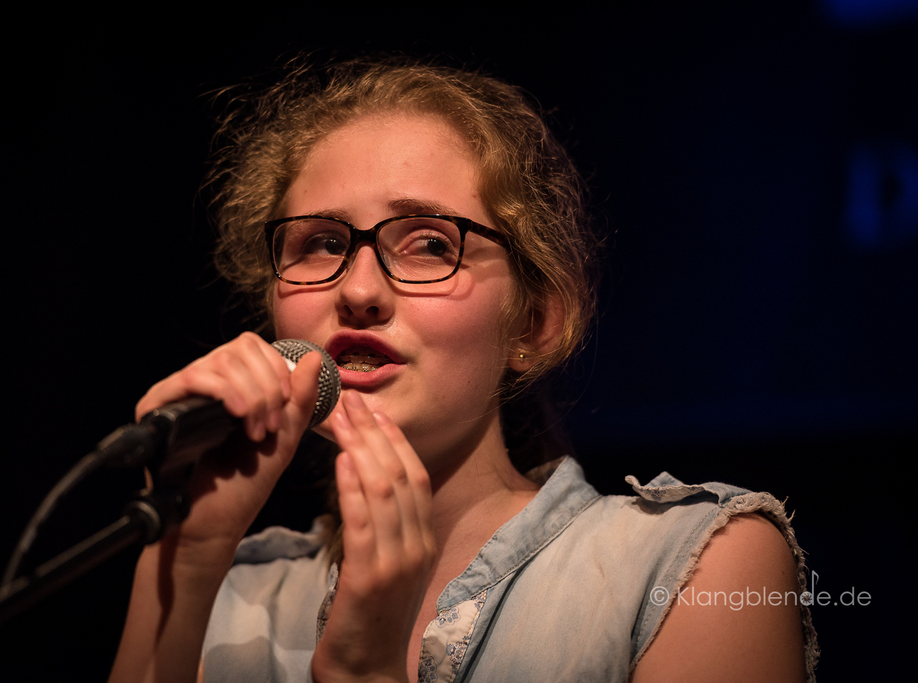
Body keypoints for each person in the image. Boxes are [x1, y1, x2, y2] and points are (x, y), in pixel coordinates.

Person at [108, 59, 817, 683]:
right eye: (320, 243)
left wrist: (363, 672)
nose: (358, 289)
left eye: (427, 244)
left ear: (532, 324)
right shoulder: (228, 596)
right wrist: (187, 554)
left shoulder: (693, 565)